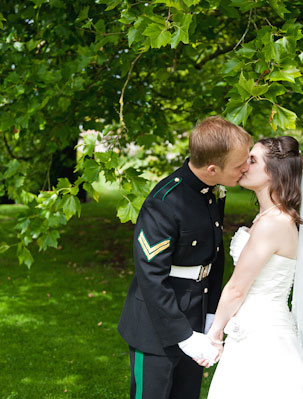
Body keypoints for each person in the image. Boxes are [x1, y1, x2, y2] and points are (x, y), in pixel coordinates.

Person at [118, 116, 253, 399]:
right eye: (240, 164)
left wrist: (210, 315)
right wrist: (184, 336)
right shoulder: (165, 202)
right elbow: (151, 277)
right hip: (156, 325)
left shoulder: (213, 192)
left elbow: (213, 258)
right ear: (213, 168)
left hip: (195, 312)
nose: (246, 168)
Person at [200, 136, 303, 398]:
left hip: (260, 334)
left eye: (252, 160)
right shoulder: (270, 217)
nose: (244, 164)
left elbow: (237, 289)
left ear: (273, 173)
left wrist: (215, 334)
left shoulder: (272, 223)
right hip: (259, 325)